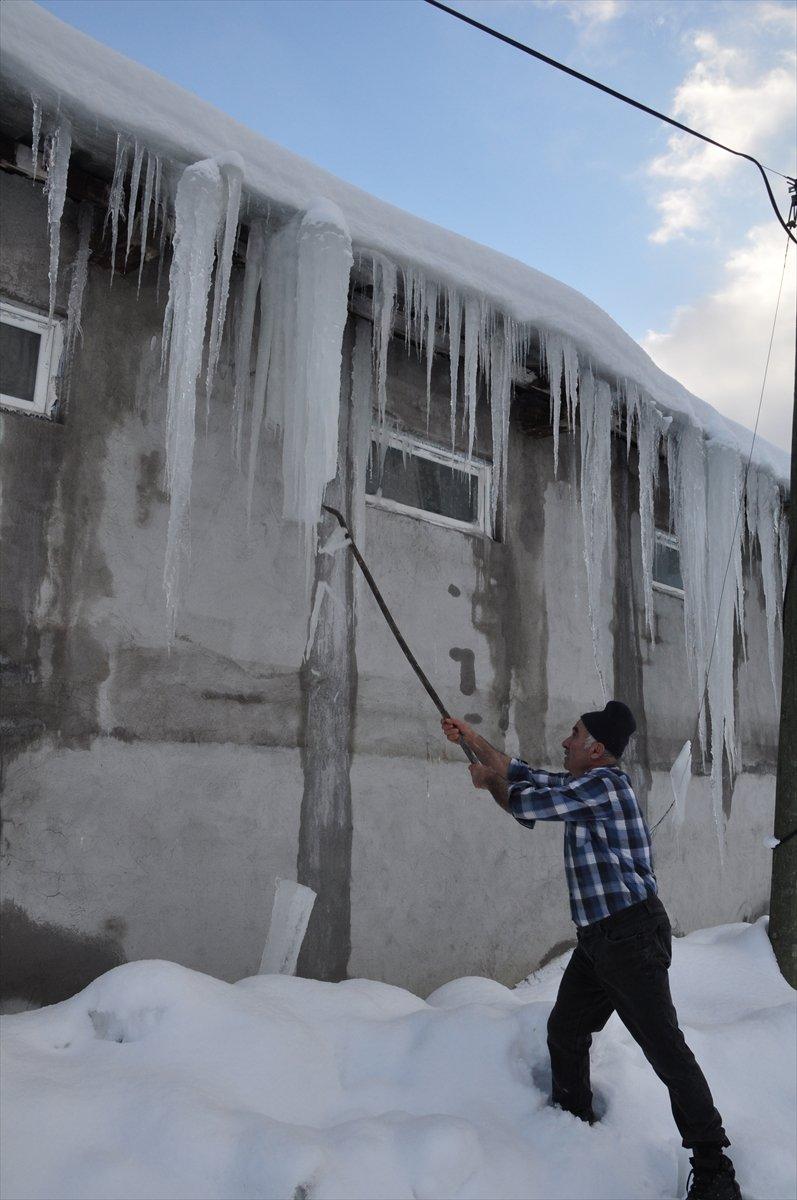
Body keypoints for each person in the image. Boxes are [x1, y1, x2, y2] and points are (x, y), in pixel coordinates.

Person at [442, 700, 742, 1200]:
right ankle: (572, 1123)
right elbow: (522, 774)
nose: (565, 741)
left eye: (573, 734)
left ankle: (714, 1169)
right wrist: (470, 740)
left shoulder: (605, 787)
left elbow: (521, 799)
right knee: (567, 1028)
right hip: (600, 939)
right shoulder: (583, 785)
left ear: (595, 748)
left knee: (664, 1048)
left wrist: (490, 782)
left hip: (630, 935)